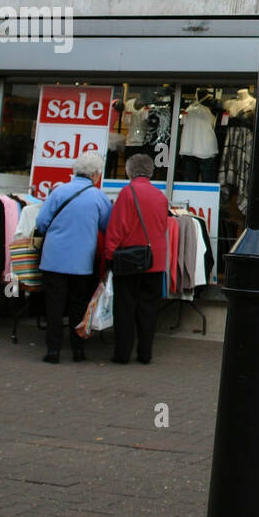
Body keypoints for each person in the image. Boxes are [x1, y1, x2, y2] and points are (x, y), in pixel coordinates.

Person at [36, 150, 112, 364]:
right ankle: (78, 350)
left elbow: (41, 222)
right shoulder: (99, 197)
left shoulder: (59, 192)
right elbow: (106, 226)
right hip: (82, 261)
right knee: (78, 305)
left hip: (53, 258)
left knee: (54, 305)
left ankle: (53, 351)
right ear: (96, 174)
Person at [104, 153, 169, 365]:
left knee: (125, 308)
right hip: (155, 259)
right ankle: (145, 353)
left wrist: (109, 254)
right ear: (150, 171)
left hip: (129, 259)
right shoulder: (161, 196)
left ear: (129, 170)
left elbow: (117, 227)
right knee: (148, 309)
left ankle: (122, 353)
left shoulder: (127, 192)